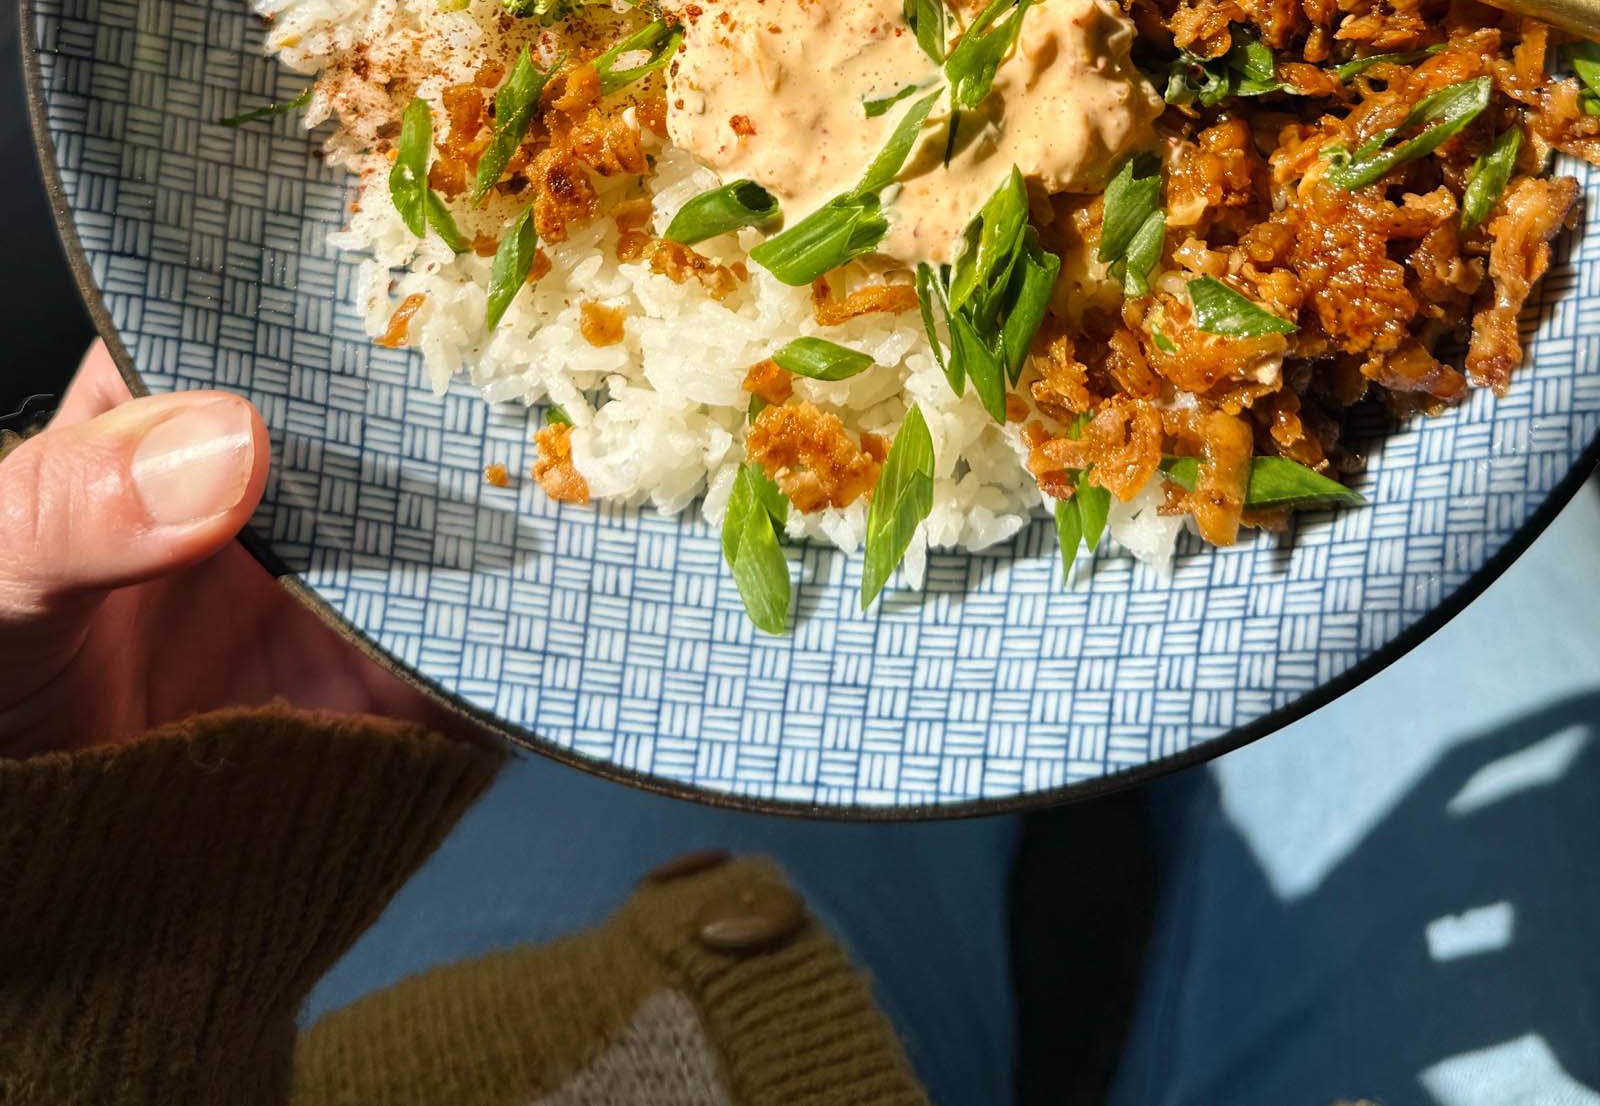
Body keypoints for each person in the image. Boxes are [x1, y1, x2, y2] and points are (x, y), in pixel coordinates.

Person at [5, 342, 1600, 1106]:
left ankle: (1121, 749)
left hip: (487, 1034)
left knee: (966, 656)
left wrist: (123, 959)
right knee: (1506, 600)